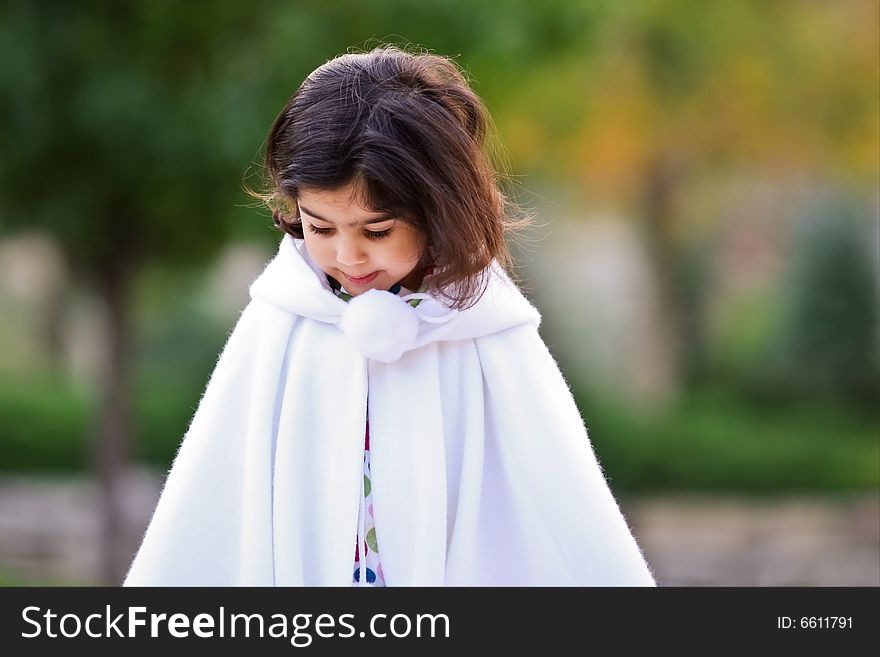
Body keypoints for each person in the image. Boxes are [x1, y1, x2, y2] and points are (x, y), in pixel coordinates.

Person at [123, 45, 656, 587]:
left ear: (437, 210)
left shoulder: (485, 334)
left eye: (377, 231)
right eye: (320, 227)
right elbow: (213, 515)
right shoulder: (283, 325)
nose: (348, 257)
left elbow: (559, 518)